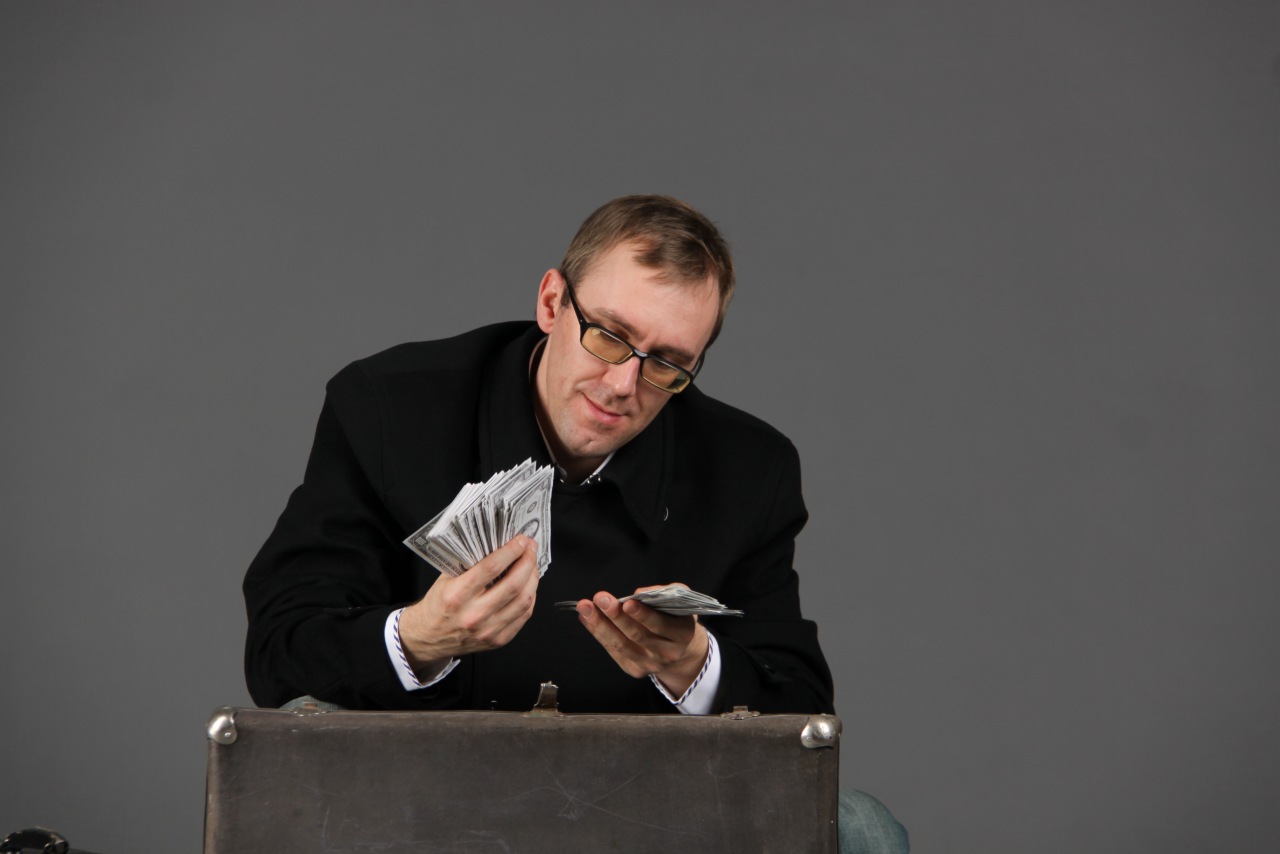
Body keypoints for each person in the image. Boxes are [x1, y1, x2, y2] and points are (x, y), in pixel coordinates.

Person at [243, 195, 908, 852]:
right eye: (609, 336)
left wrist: (693, 666)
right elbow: (280, 652)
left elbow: (803, 722)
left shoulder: (749, 469)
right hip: (417, 800)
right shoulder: (390, 407)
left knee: (863, 829)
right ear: (552, 303)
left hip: (644, 814)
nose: (623, 384)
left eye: (667, 363)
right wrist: (420, 638)